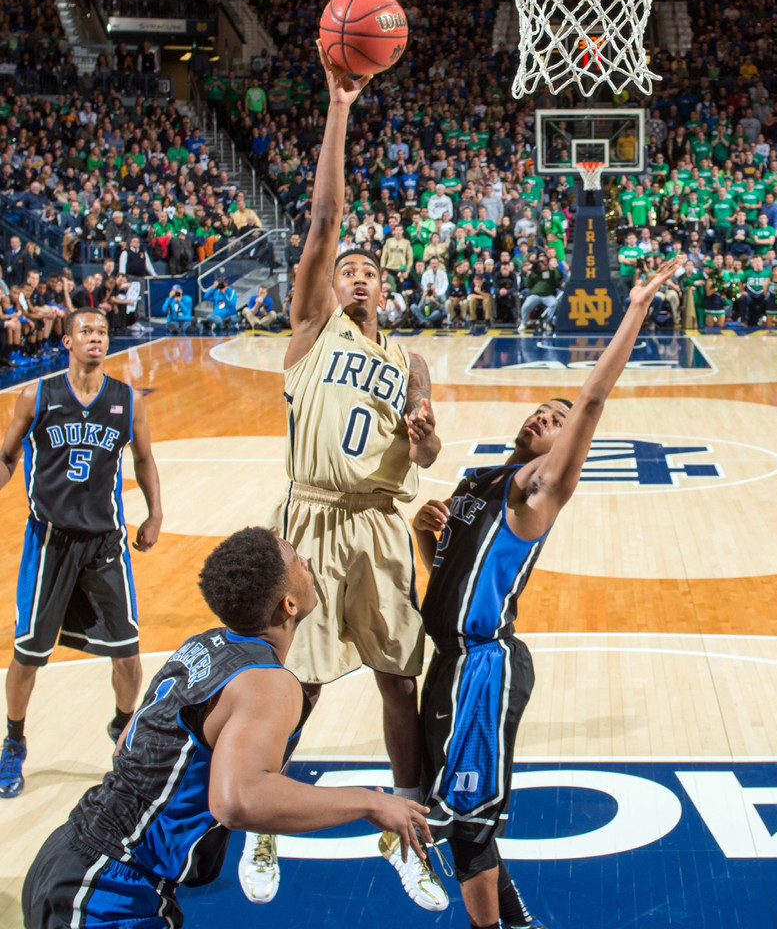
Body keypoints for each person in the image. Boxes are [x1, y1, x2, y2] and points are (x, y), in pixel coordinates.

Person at [407, 259, 681, 926]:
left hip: (483, 665)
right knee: (461, 814)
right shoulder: (476, 484)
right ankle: (518, 920)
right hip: (444, 659)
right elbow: (445, 576)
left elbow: (589, 401)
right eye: (540, 408)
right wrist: (423, 533)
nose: (545, 415)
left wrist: (636, 310)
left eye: (555, 419)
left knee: (465, 823)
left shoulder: (536, 492)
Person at [242, 45, 448, 911]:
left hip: (378, 525)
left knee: (400, 680)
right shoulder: (309, 333)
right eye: (344, 269)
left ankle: (403, 835)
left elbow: (429, 459)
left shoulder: (411, 361)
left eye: (369, 271)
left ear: (387, 290)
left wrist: (428, 439)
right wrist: (339, 109)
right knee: (305, 683)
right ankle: (262, 823)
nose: (355, 273)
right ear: (329, 286)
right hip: (313, 522)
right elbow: (324, 217)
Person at [21, 526, 432, 929]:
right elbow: (237, 801)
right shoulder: (268, 682)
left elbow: (126, 742)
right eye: (297, 560)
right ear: (288, 604)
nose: (307, 562)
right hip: (108, 889)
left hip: (71, 854)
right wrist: (371, 803)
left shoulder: (202, 645)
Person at [0, 308, 162, 799]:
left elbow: (144, 458)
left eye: (102, 332)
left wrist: (155, 514)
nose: (96, 338)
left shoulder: (127, 400)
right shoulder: (38, 395)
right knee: (28, 654)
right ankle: (13, 742)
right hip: (50, 541)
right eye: (87, 331)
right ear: (67, 340)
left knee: (128, 652)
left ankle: (124, 729)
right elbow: (7, 455)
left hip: (105, 542)